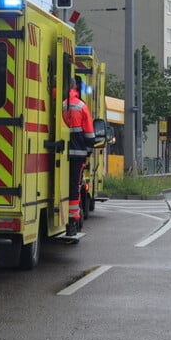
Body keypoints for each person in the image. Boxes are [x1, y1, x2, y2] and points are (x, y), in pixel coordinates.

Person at [62, 75, 94, 238]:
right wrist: (89, 148)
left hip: (61, 154)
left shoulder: (61, 105)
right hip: (78, 154)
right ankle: (73, 222)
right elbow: (89, 132)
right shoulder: (81, 106)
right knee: (74, 187)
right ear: (76, 88)